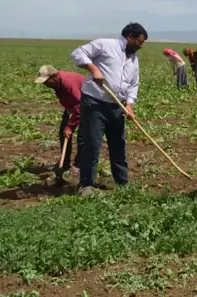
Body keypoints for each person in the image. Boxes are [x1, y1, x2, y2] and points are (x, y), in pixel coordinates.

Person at [70, 22, 148, 197]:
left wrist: (129, 105)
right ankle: (86, 186)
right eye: (140, 42)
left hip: (117, 107)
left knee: (118, 145)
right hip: (94, 104)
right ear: (130, 37)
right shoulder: (105, 45)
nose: (141, 46)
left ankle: (122, 183)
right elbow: (77, 53)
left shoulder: (134, 59)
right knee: (92, 145)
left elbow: (134, 84)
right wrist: (93, 68)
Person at [34, 65, 87, 185]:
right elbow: (69, 102)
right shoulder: (57, 83)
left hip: (87, 105)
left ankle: (78, 166)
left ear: (54, 76)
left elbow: (79, 107)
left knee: (83, 136)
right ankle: (65, 164)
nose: (45, 84)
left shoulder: (68, 84)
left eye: (46, 81)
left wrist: (71, 126)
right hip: (73, 105)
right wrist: (68, 122)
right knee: (64, 132)